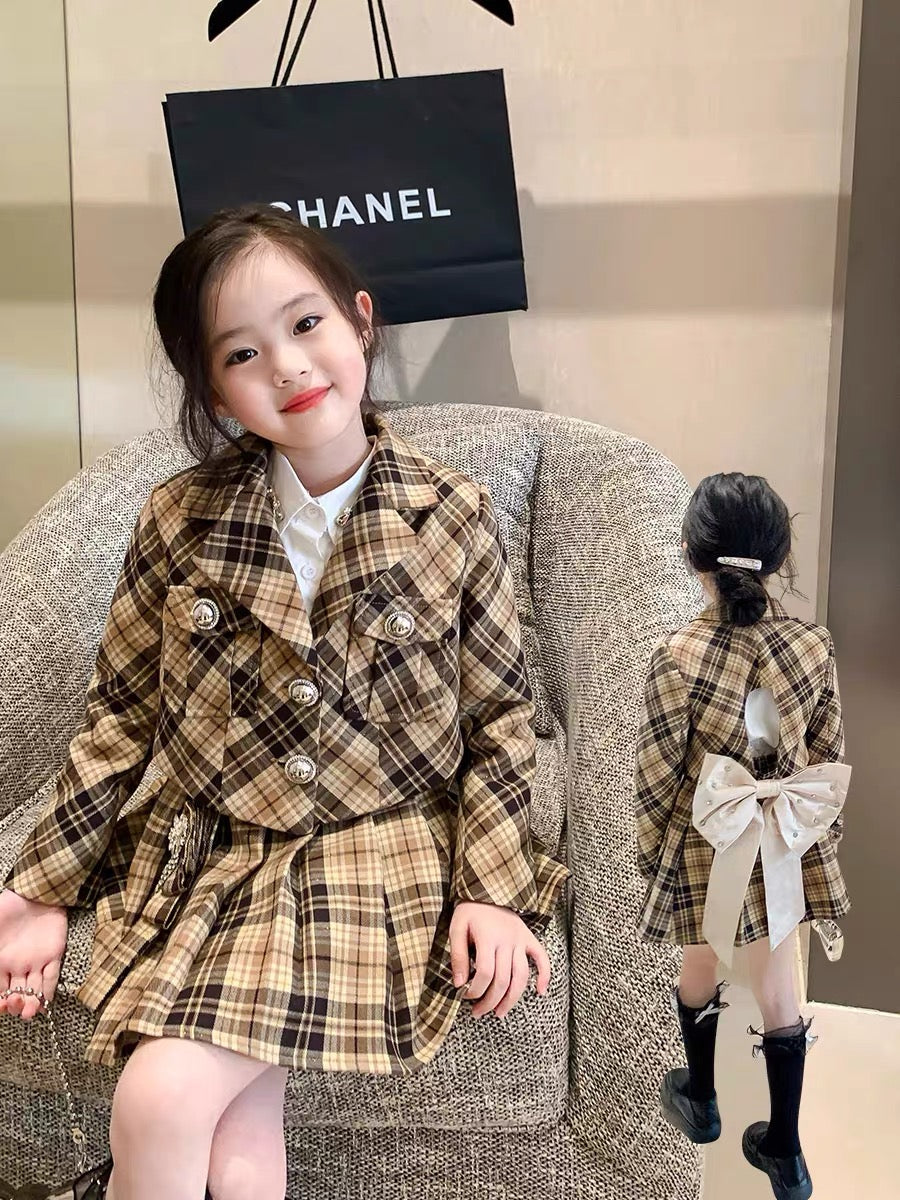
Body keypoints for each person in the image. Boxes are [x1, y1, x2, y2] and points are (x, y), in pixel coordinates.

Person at [0, 205, 568, 1200]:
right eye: (242, 353)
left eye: (306, 324)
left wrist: (493, 888)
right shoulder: (178, 519)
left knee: (159, 1103)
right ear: (214, 389)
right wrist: (45, 887)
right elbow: (121, 714)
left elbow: (503, 722)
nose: (289, 367)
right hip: (213, 847)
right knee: (235, 1153)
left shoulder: (452, 515)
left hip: (375, 847)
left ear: (360, 321)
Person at [634, 472, 850, 1200]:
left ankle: (701, 1099)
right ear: (779, 554)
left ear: (694, 555)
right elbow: (828, 755)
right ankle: (786, 1152)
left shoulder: (677, 653)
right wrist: (820, 840)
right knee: (778, 986)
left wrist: (651, 855)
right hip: (783, 840)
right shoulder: (813, 645)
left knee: (699, 961)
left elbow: (658, 774)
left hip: (709, 842)